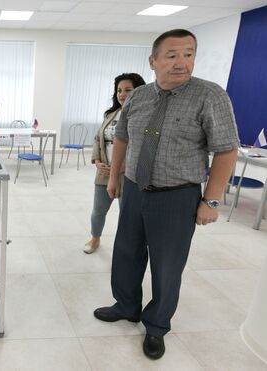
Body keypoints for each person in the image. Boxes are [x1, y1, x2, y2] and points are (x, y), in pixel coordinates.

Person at [93, 29, 239, 360]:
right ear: (153, 61)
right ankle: (126, 305)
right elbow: (122, 140)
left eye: (188, 54)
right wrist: (114, 178)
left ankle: (157, 325)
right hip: (134, 189)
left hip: (177, 196)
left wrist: (210, 200)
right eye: (172, 55)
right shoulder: (139, 97)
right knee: (127, 252)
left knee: (167, 265)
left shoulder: (210, 96)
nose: (181, 63)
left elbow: (226, 151)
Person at [84, 73, 146, 254]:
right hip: (105, 171)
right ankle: (95, 239)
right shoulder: (111, 114)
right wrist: (97, 161)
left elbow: (142, 147)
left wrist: (120, 169)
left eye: (128, 90)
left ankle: (124, 246)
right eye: (119, 90)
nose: (122, 94)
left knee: (126, 214)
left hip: (129, 174)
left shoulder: (143, 116)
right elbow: (98, 138)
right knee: (98, 211)